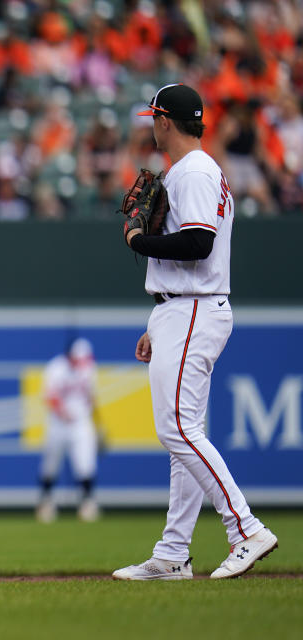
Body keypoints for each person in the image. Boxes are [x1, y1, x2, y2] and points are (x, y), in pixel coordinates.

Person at [112, 84, 278, 580]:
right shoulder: (190, 171)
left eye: (154, 118)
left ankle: (245, 528)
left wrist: (142, 239)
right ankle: (173, 554)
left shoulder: (198, 171)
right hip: (179, 308)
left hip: (194, 309)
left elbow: (199, 244)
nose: (151, 126)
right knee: (185, 434)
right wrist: (156, 321)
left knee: (177, 430)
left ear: (165, 121)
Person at [35, 337, 101, 523]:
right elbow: (50, 396)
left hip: (80, 422)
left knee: (85, 463)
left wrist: (98, 425)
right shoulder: (56, 368)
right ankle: (46, 503)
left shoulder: (89, 369)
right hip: (58, 423)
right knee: (50, 464)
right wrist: (63, 413)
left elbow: (91, 398)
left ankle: (88, 503)